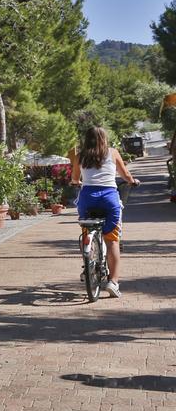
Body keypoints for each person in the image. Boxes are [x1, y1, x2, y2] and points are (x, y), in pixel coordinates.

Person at [70, 126, 139, 298]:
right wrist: (132, 181)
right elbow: (125, 175)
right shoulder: (113, 153)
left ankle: (89, 262)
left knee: (87, 231)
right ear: (104, 139)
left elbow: (74, 179)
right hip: (109, 198)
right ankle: (113, 282)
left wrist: (76, 182)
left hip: (87, 199)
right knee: (112, 241)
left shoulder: (80, 156)